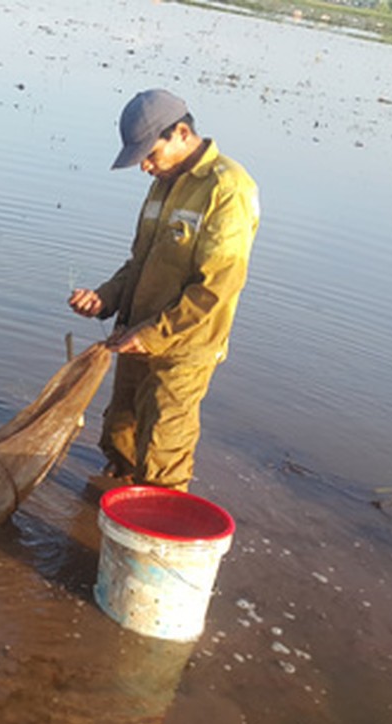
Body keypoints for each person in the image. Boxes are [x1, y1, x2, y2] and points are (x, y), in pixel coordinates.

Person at [68, 89, 260, 492]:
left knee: (161, 453)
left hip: (184, 347)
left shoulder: (228, 188)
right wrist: (104, 298)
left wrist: (154, 334)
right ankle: (103, 523)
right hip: (136, 334)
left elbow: (218, 285)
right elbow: (139, 263)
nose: (145, 167)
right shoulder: (162, 183)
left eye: (149, 155)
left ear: (182, 133)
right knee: (119, 436)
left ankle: (154, 536)